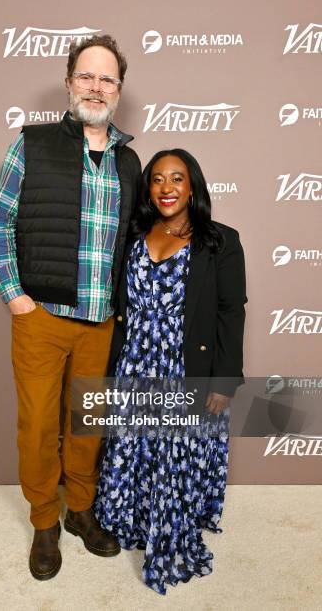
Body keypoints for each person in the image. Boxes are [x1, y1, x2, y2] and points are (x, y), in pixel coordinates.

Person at [0, 35, 141, 580]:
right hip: (42, 317)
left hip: (100, 321)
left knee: (87, 425)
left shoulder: (128, 160)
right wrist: (16, 298)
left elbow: (137, 240)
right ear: (68, 80)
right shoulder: (31, 143)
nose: (96, 87)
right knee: (36, 427)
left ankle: (80, 511)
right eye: (87, 76)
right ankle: (45, 522)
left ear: (118, 90)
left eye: (107, 79)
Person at [94, 149, 247, 594]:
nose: (166, 188)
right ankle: (131, 520)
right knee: (132, 450)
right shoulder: (132, 238)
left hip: (185, 368)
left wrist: (223, 380)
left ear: (193, 186)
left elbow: (230, 312)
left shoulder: (220, 240)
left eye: (177, 178)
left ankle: (169, 530)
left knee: (174, 458)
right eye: (157, 179)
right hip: (134, 364)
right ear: (148, 189)